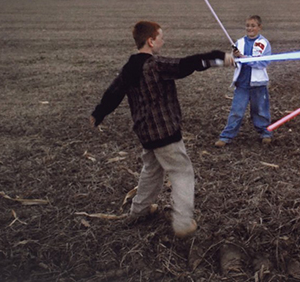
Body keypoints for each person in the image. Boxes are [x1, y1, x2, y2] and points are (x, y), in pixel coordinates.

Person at [90, 21, 234, 237]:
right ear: (151, 41)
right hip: (165, 133)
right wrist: (221, 58)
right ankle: (183, 223)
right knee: (182, 172)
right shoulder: (155, 64)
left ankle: (139, 211)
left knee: (151, 171)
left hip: (145, 134)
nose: (163, 41)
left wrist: (98, 113)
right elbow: (189, 64)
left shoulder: (129, 68)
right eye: (161, 38)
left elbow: (113, 93)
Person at [215, 15, 273, 147]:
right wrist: (234, 58)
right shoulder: (239, 43)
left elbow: (263, 63)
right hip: (242, 84)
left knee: (260, 110)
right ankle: (226, 136)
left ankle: (265, 133)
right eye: (247, 26)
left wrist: (244, 57)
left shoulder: (264, 44)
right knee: (237, 110)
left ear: (259, 27)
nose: (250, 28)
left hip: (258, 84)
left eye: (253, 26)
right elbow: (235, 63)